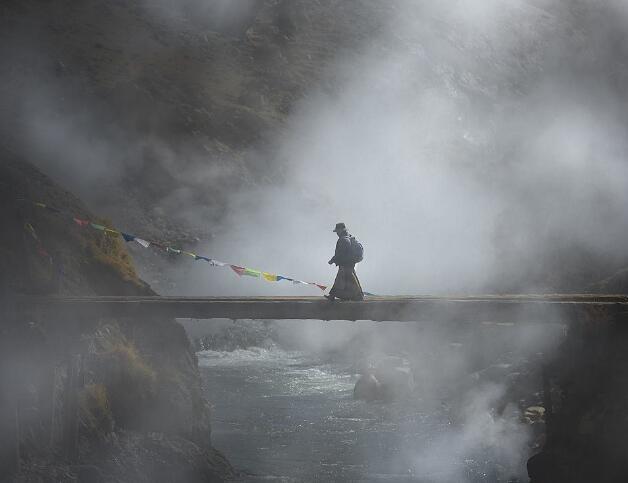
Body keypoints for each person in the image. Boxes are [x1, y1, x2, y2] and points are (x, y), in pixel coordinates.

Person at [326, 222, 364, 301]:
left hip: (345, 263)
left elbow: (340, 253)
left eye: (337, 231)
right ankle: (355, 296)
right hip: (349, 263)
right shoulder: (349, 237)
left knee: (341, 280)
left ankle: (333, 296)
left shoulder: (343, 240)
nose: (337, 233)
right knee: (349, 280)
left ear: (340, 230)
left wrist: (332, 260)